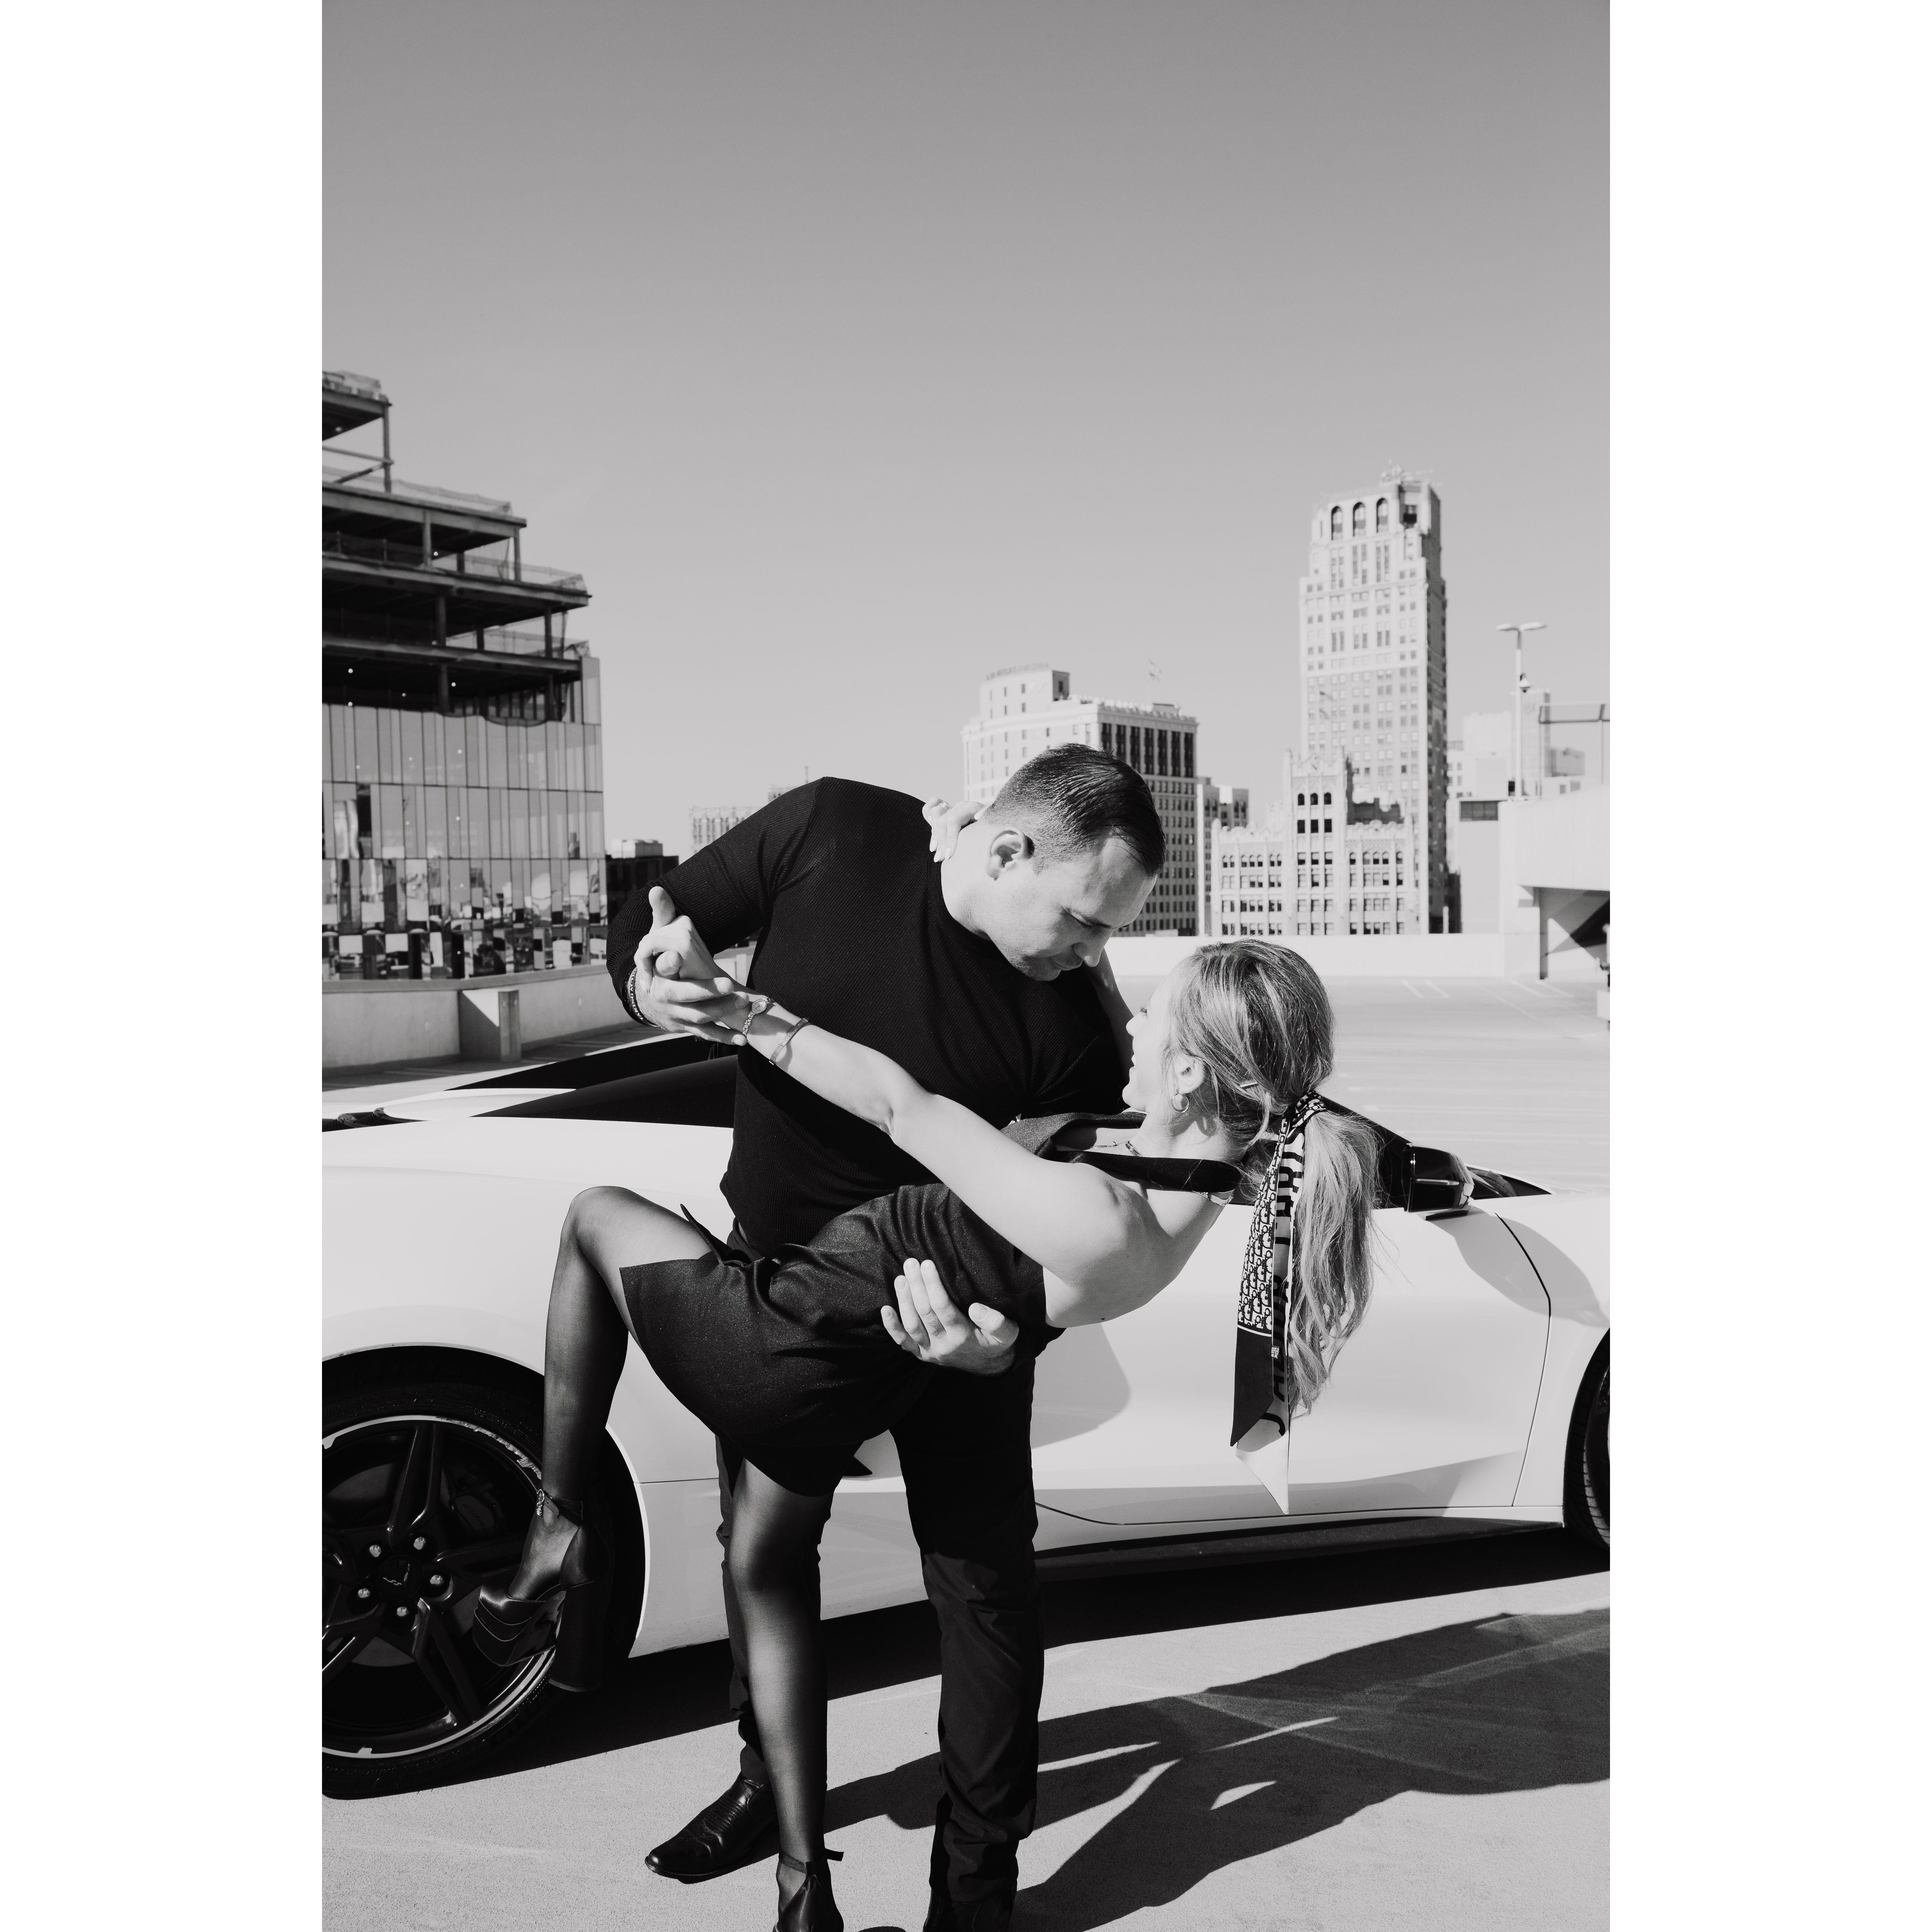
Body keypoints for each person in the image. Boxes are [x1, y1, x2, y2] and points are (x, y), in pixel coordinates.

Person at [475, 927, 1380, 1932]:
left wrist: (746, 1017)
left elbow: (900, 1104)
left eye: (1152, 1017)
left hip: (779, 1340)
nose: (1129, 1022)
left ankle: (560, 1527)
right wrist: (992, 1342)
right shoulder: (1194, 1190)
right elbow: (1034, 1276)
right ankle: (803, 1891)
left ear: (1190, 1072)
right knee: (763, 1565)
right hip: (850, 1358)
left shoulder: (1099, 1213)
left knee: (594, 1216)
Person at [605, 749, 1156, 1932]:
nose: (1093, 953)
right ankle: (766, 1785)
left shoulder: (1076, 1036)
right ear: (1006, 850)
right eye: (1083, 919)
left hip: (955, 1327)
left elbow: (1059, 1239)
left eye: (1112, 931)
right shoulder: (831, 831)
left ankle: (977, 1888)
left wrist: (1000, 1347)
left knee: (986, 1592)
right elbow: (652, 922)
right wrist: (654, 988)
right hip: (780, 1293)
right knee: (761, 1551)